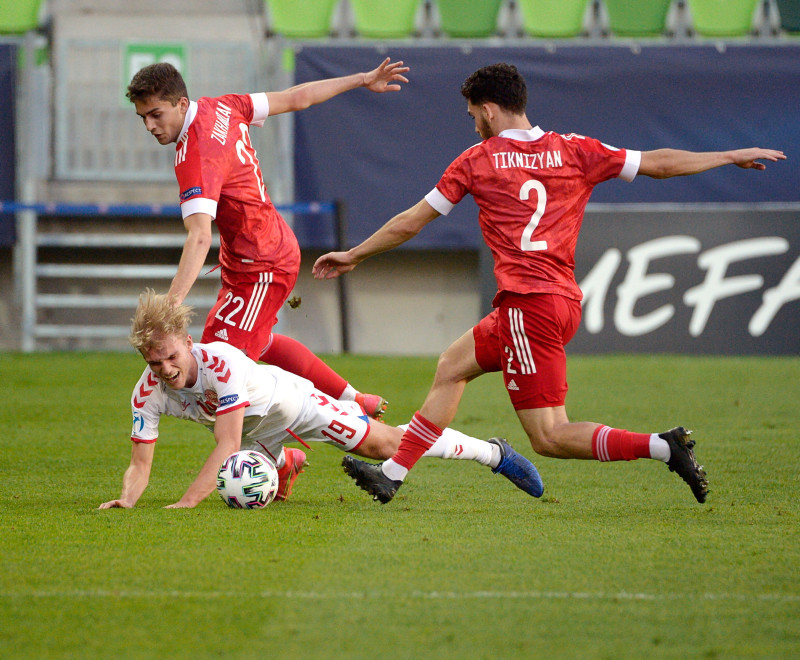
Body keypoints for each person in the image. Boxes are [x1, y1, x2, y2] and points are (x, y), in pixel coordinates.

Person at [313, 62, 787, 505]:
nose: (473, 123)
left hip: (528, 305)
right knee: (452, 366)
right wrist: (728, 155)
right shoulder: (577, 149)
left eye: (473, 114)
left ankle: (663, 447)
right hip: (550, 302)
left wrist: (354, 253)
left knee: (549, 436)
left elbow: (412, 221)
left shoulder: (477, 160)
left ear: (489, 109)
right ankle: (391, 476)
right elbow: (658, 163)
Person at [125, 57, 411, 419]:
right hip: (250, 254)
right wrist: (361, 78)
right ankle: (353, 400)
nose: (150, 126)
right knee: (252, 344)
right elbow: (297, 98)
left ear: (182, 104)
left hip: (263, 262)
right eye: (143, 118)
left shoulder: (196, 155)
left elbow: (198, 238)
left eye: (156, 114)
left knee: (217, 371)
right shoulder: (223, 106)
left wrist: (169, 308)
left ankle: (319, 435)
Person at [98, 289, 544, 509]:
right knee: (241, 477)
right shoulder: (147, 391)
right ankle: (282, 462)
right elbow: (140, 464)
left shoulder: (223, 364)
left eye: (171, 357)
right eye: (154, 364)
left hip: (295, 406)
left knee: (387, 446)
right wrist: (127, 500)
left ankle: (492, 452)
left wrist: (188, 501)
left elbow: (226, 443)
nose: (166, 371)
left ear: (188, 341)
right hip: (257, 433)